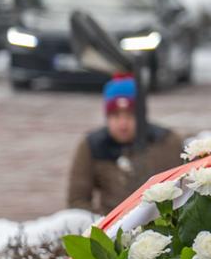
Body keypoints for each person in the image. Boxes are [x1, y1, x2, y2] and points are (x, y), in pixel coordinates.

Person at [67, 75, 184, 214]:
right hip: (111, 225)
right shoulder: (92, 145)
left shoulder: (167, 142)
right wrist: (102, 226)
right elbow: (77, 200)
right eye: (116, 116)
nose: (123, 124)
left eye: (130, 115)